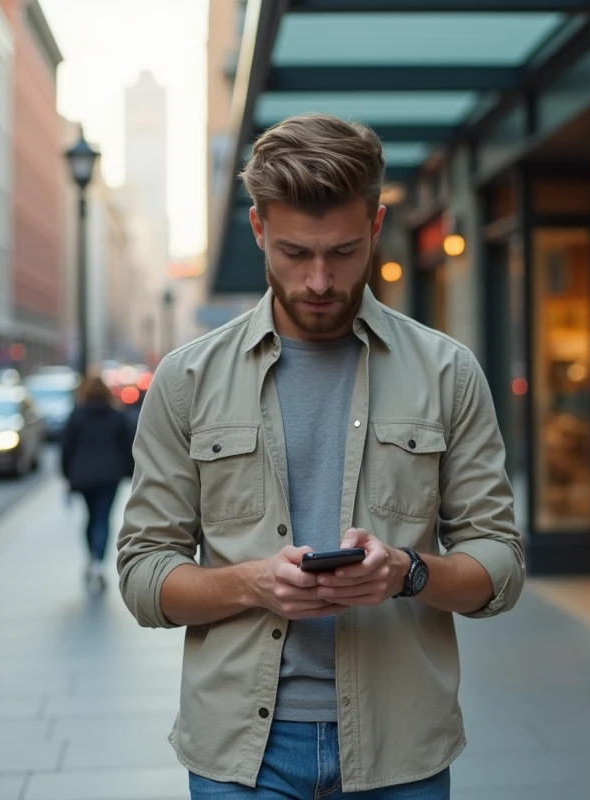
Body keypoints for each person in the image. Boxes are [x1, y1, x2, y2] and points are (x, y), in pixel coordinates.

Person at [118, 113, 524, 799]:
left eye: (340, 252)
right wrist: (253, 583)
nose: (317, 280)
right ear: (257, 231)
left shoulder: (447, 372)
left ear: (374, 227)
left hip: (400, 749)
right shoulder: (187, 381)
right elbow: (143, 576)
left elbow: (501, 565)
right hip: (239, 757)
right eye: (293, 253)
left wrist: (406, 572)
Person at [61, 373, 133, 591]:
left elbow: (67, 448)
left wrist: (67, 476)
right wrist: (128, 472)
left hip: (83, 476)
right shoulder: (117, 416)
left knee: (91, 518)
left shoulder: (77, 415)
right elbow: (129, 446)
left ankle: (93, 557)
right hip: (109, 476)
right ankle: (99, 563)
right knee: (103, 519)